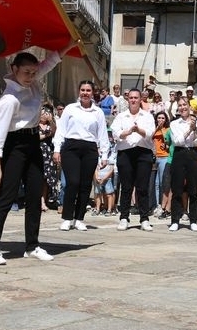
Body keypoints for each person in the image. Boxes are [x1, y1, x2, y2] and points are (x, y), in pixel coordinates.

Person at [0, 40, 79, 265]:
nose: (31, 76)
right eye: (26, 72)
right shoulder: (9, 100)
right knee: (6, 197)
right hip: (14, 145)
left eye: (34, 72)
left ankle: (32, 246)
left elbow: (49, 63)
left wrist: (68, 45)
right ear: (14, 69)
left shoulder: (32, 81)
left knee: (35, 195)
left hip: (33, 142)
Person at [54, 80, 110, 232]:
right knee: (72, 182)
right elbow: (61, 130)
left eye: (88, 90)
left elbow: (102, 134)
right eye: (83, 90)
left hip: (90, 149)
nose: (85, 93)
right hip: (71, 148)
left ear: (92, 93)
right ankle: (67, 218)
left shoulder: (98, 112)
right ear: (79, 92)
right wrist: (57, 149)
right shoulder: (70, 109)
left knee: (85, 185)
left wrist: (105, 155)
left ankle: (79, 219)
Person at [110, 88, 156, 231]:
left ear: (140, 99)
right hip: (125, 153)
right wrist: (128, 132)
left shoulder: (147, 116)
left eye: (136, 97)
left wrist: (138, 130)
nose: (133, 100)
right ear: (127, 99)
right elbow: (115, 133)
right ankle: (124, 217)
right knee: (126, 187)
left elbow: (150, 133)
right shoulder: (121, 116)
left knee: (142, 188)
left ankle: (144, 219)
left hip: (143, 153)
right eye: (131, 98)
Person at [168, 96, 197, 231]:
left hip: (192, 154)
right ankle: (175, 220)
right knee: (177, 188)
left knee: (193, 188)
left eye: (185, 105)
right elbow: (177, 141)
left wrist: (195, 129)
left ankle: (193, 220)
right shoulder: (174, 124)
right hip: (179, 154)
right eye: (180, 105)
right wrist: (189, 129)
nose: (182, 107)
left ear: (189, 106)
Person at [151, 111, 172, 218]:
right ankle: (157, 205)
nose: (160, 120)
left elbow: (168, 141)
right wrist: (157, 128)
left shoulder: (167, 129)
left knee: (163, 182)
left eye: (163, 118)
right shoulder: (153, 129)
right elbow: (149, 137)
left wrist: (162, 130)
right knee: (155, 183)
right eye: (159, 118)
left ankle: (163, 205)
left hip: (164, 157)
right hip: (154, 157)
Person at [93, 130, 117, 215]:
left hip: (107, 178)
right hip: (98, 177)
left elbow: (111, 169)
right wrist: (96, 176)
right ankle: (98, 209)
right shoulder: (98, 156)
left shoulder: (111, 156)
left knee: (109, 193)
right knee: (98, 193)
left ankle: (110, 209)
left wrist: (104, 178)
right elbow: (95, 167)